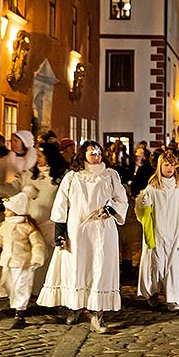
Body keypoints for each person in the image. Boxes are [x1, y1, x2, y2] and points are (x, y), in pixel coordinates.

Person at [37, 141, 128, 333]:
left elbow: (122, 199)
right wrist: (60, 231)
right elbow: (61, 203)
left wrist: (110, 210)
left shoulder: (110, 175)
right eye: (92, 152)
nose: (96, 156)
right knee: (77, 268)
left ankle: (98, 314)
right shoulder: (73, 177)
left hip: (103, 229)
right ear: (83, 155)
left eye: (98, 152)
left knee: (100, 268)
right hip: (77, 230)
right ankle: (74, 306)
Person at [0, 192, 45, 328]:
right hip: (8, 262)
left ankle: (20, 312)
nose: (5, 212)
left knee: (21, 286)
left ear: (16, 211)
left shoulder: (27, 227)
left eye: (8, 209)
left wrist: (37, 258)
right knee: (8, 285)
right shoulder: (4, 226)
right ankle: (17, 307)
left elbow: (38, 244)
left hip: (23, 262)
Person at [136, 151, 179, 312]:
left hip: (176, 232)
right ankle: (152, 293)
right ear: (159, 166)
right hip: (158, 232)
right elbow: (144, 212)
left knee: (174, 265)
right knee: (156, 265)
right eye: (166, 164)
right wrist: (149, 234)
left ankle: (173, 299)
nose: (169, 168)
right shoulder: (152, 188)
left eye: (172, 165)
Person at [19, 143, 69, 293]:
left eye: (41, 156)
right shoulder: (29, 175)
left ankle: (49, 289)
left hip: (50, 223)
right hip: (32, 223)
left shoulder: (62, 176)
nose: (38, 159)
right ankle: (32, 290)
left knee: (49, 259)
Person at [0, 131, 37, 196]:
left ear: (24, 142)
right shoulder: (7, 159)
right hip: (9, 193)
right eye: (12, 141)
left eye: (16, 141)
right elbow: (1, 178)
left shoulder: (35, 158)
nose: (13, 143)